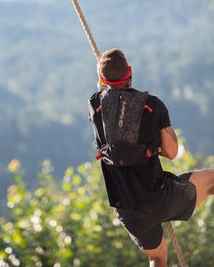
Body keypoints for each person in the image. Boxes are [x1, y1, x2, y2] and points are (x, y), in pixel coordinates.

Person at [88, 48, 214, 267]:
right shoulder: (152, 105)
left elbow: (104, 94)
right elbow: (172, 153)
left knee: (157, 256)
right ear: (130, 71)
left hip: (129, 210)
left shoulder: (94, 105)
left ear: (101, 78)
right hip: (160, 197)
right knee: (211, 179)